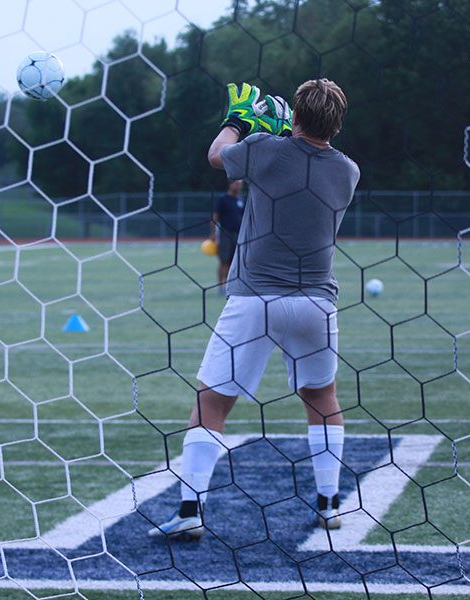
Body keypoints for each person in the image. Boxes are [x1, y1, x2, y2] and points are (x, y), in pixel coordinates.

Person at [148, 79, 359, 540]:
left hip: (254, 298)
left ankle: (189, 509)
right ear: (337, 125)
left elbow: (217, 156)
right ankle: (328, 504)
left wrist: (238, 121)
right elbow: (302, 161)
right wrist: (287, 131)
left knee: (212, 403)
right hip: (317, 302)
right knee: (322, 399)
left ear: (296, 118)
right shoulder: (348, 170)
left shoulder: (265, 149)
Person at [211, 179, 245, 291]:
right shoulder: (223, 199)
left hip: (238, 235)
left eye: (240, 184)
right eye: (237, 183)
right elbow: (215, 217)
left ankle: (230, 285)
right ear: (230, 184)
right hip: (226, 233)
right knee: (223, 260)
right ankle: (220, 286)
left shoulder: (240, 200)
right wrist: (213, 234)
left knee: (233, 261)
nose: (239, 186)